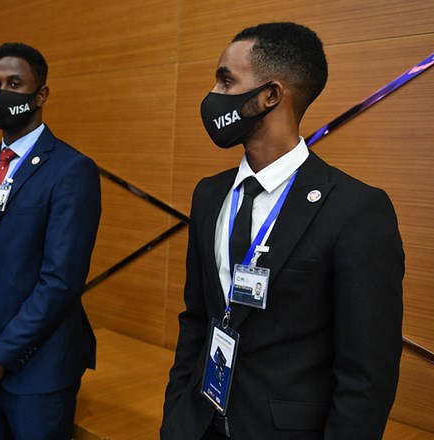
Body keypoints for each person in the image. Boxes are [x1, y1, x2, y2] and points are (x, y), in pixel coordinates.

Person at [161, 23, 404, 440]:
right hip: (197, 425)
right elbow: (197, 318)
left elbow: (366, 376)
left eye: (226, 80)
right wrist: (175, 416)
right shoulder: (209, 195)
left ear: (270, 96)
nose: (213, 95)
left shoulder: (357, 210)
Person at [0, 42, 101, 439]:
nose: (2, 93)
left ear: (41, 95)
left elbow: (61, 281)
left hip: (38, 371)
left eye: (15, 83)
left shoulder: (72, 171)